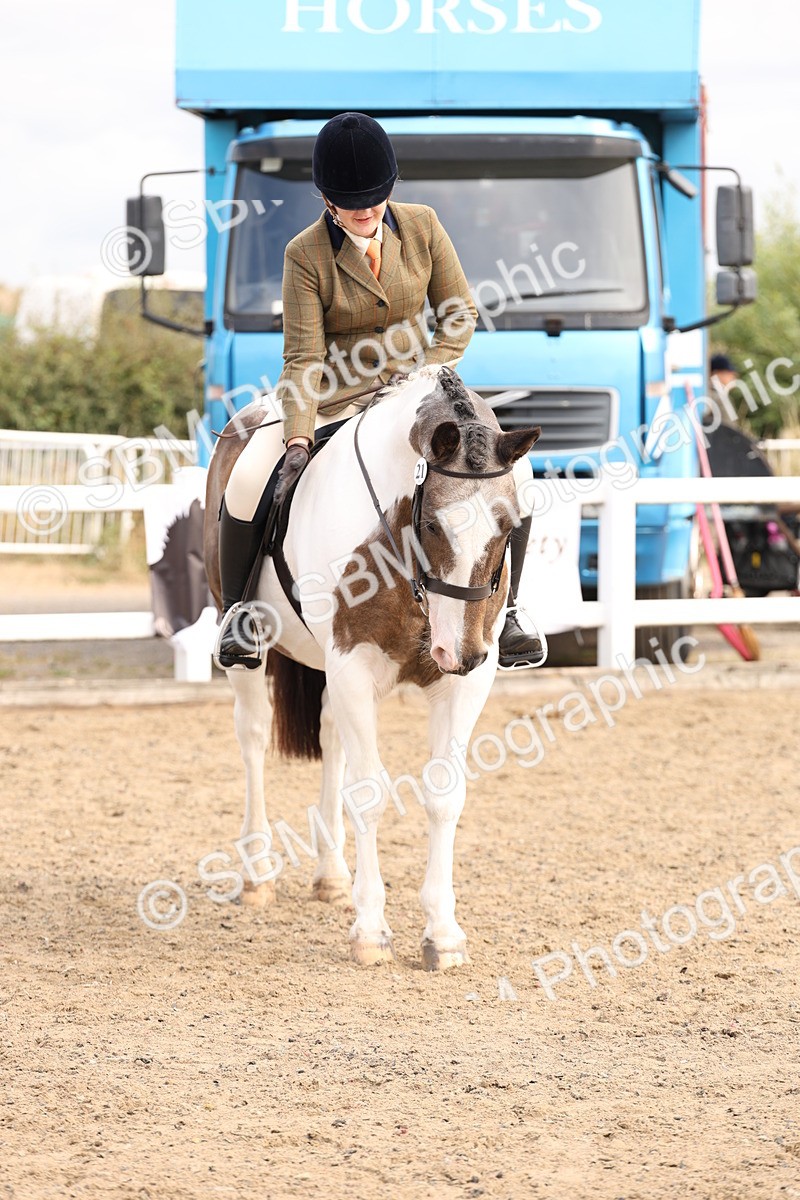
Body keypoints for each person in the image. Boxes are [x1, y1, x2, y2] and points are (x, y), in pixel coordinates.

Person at [214, 112, 547, 672]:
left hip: (419, 391)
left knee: (521, 473)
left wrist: (429, 371)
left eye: (373, 198)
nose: (365, 211)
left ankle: (509, 610)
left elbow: (458, 312)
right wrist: (297, 438)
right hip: (335, 396)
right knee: (247, 476)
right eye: (350, 202)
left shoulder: (422, 225)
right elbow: (303, 358)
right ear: (326, 197)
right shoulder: (305, 253)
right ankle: (239, 612)